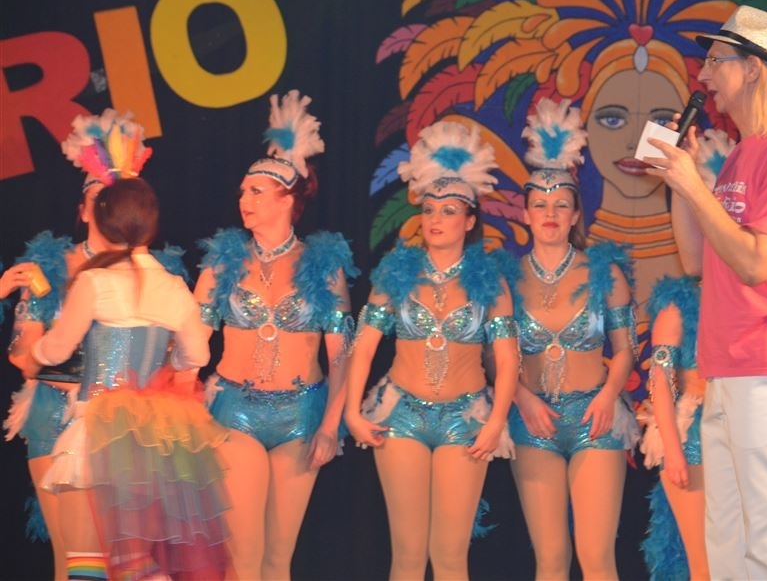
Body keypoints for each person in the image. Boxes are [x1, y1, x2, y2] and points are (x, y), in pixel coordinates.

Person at [646, 4, 767, 580]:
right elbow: (697, 260)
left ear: (753, 68)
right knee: (729, 550)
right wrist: (682, 180)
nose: (703, 76)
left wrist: (695, 187)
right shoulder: (742, 152)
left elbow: (757, 263)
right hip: (728, 369)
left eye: (715, 61)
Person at [3, 110, 182, 580]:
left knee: (128, 561)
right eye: (99, 200)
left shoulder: (157, 276)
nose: (108, 209)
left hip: (125, 429)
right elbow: (23, 355)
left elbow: (173, 362)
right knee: (74, 561)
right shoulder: (49, 267)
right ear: (84, 210)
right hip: (55, 421)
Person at [195, 90, 359, 580]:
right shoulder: (223, 260)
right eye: (243, 192)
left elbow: (343, 356)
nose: (243, 201)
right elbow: (192, 341)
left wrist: (330, 425)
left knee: (277, 560)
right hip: (236, 412)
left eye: (256, 192)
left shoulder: (323, 265)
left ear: (288, 198)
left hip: (302, 415)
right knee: (244, 557)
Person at [345, 120, 519, 581]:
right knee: (406, 554)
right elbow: (363, 346)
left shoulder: (490, 280)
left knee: (450, 556)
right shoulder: (396, 272)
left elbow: (507, 360)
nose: (436, 219)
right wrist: (352, 412)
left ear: (470, 220)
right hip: (400, 415)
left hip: (465, 419)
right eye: (429, 210)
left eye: (449, 210)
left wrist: (496, 423)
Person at [32, 177, 229, 581]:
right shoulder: (173, 287)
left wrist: (34, 353)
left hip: (97, 428)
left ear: (104, 222)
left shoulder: (95, 281)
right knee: (135, 564)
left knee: (85, 563)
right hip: (151, 442)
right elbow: (198, 356)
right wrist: (171, 359)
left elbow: (57, 350)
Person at [502, 98, 638, 580]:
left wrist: (607, 395)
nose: (550, 213)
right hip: (533, 421)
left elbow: (626, 350)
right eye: (540, 204)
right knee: (551, 560)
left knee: (597, 558)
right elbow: (493, 358)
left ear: (576, 214)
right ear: (524, 213)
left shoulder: (605, 272)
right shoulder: (505, 279)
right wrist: (521, 398)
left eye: (561, 204)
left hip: (594, 418)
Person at [639, 130, 732, 581]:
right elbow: (660, 381)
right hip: (692, 438)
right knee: (705, 567)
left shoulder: (749, 300)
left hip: (741, 433)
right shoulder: (677, 305)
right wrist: (673, 451)